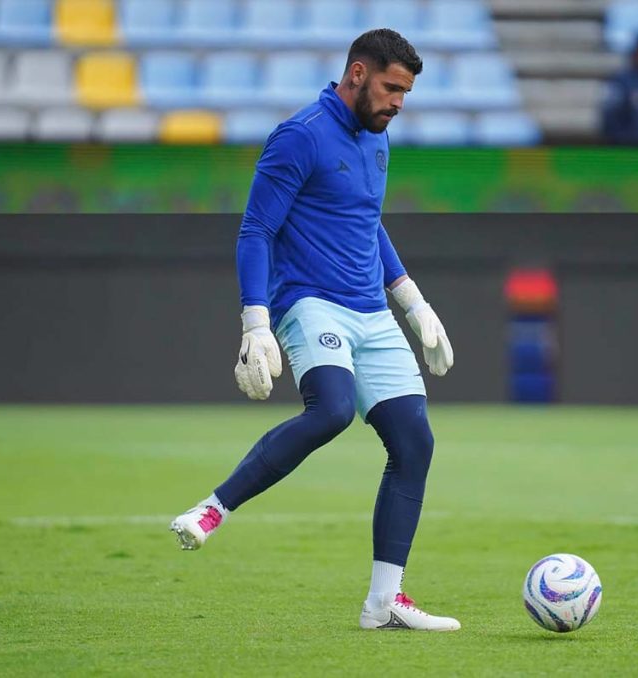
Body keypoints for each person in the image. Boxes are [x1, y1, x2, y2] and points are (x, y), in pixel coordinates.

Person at [170, 29, 459, 632]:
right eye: (391, 88)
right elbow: (256, 230)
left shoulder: (378, 139)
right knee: (330, 410)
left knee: (415, 444)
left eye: (405, 93)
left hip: (371, 314)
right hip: (311, 304)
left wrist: (413, 302)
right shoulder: (300, 136)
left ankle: (384, 603)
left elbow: (367, 222)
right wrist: (255, 321)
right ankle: (214, 508)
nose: (398, 103)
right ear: (357, 73)